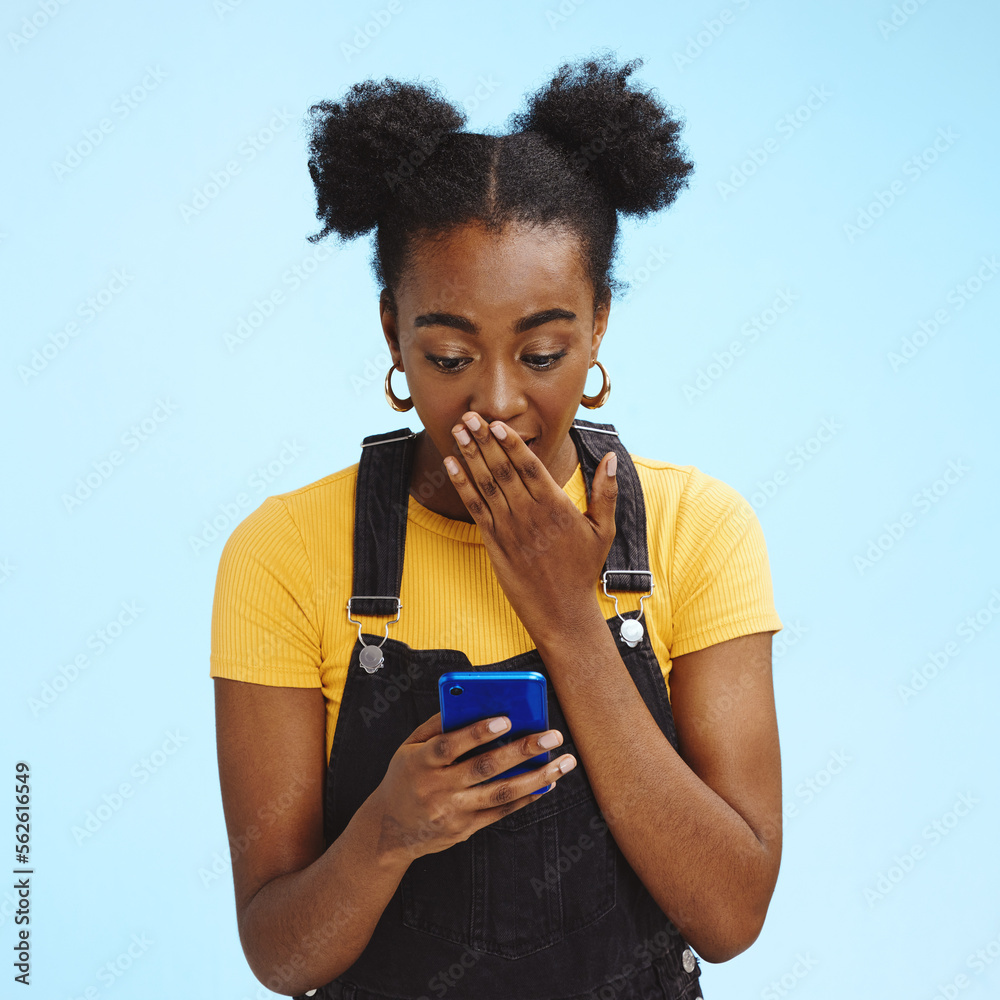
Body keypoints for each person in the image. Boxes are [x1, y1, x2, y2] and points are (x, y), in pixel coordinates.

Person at [211, 51, 784, 1000]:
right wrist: (387, 833)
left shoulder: (701, 529)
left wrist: (569, 620)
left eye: (545, 350)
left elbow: (729, 917)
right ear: (392, 333)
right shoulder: (282, 553)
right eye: (447, 355)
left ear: (600, 325)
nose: (498, 401)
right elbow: (281, 954)